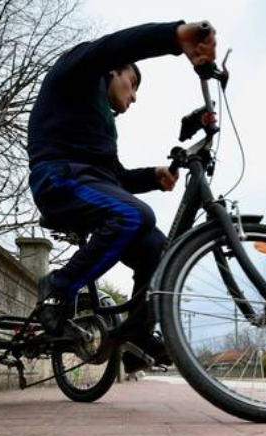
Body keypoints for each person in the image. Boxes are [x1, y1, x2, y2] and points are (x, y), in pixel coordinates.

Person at [26, 22, 216, 372]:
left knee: (158, 248)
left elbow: (114, 177)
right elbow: (111, 47)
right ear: (115, 69)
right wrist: (175, 37)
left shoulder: (102, 124)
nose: (135, 95)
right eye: (133, 83)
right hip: (57, 178)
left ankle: (137, 335)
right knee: (134, 215)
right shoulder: (79, 73)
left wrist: (153, 177)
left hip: (89, 184)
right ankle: (58, 287)